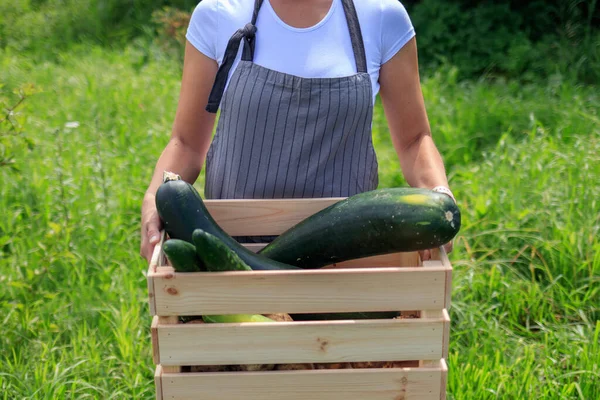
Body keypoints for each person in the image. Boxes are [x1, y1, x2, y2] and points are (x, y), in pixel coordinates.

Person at [140, 0, 455, 262]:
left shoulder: (381, 17)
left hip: (347, 263)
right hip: (231, 258)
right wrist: (155, 196)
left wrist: (438, 192)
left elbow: (415, 141)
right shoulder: (220, 14)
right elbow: (187, 143)